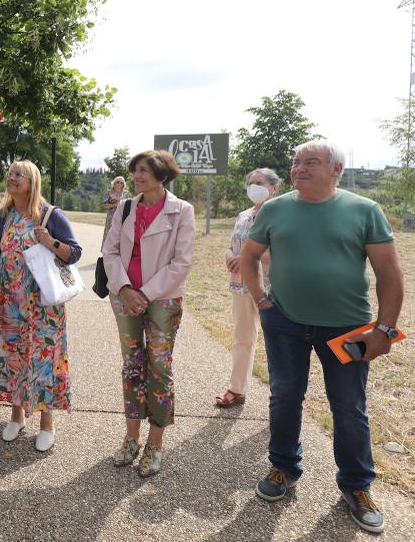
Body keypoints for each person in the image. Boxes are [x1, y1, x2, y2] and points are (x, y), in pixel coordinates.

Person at [240, 140, 403, 533]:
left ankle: (356, 486)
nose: (299, 168)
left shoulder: (365, 211)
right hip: (285, 323)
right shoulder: (275, 210)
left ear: (336, 170)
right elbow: (248, 257)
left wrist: (383, 329)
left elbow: (389, 273)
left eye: (311, 162)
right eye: (297, 162)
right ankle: (283, 468)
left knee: (349, 407)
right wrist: (261, 298)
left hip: (347, 327)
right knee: (284, 397)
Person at [0, 159, 81, 452]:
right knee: (13, 357)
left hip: (42, 307)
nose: (11, 178)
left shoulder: (50, 215)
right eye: (9, 174)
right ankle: (17, 415)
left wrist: (51, 242)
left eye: (18, 174)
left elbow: (75, 253)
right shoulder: (2, 216)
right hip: (8, 302)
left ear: (32, 181)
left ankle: (47, 423)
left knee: (43, 359)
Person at [101, 150, 194, 477]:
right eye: (135, 170)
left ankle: (155, 444)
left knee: (159, 366)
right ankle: (131, 438)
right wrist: (126, 289)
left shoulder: (182, 211)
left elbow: (181, 263)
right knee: (132, 364)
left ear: (163, 176)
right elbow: (109, 251)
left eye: (145, 171)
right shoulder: (126, 207)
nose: (137, 176)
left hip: (162, 300)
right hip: (124, 297)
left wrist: (144, 293)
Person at [215, 168, 281, 408]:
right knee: (242, 337)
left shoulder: (281, 214)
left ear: (274, 188)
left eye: (260, 182)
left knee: (280, 341)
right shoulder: (243, 215)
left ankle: (283, 395)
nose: (254, 186)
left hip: (272, 286)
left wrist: (245, 257)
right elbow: (233, 245)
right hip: (241, 285)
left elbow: (281, 252)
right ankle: (237, 388)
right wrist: (230, 256)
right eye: (251, 182)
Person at [103, 176, 128, 240]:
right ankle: (107, 249)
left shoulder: (125, 193)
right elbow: (105, 205)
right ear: (114, 183)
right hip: (111, 217)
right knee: (110, 234)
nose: (119, 184)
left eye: (121, 183)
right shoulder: (109, 192)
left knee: (120, 235)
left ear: (123, 184)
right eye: (118, 182)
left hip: (122, 217)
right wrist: (116, 204)